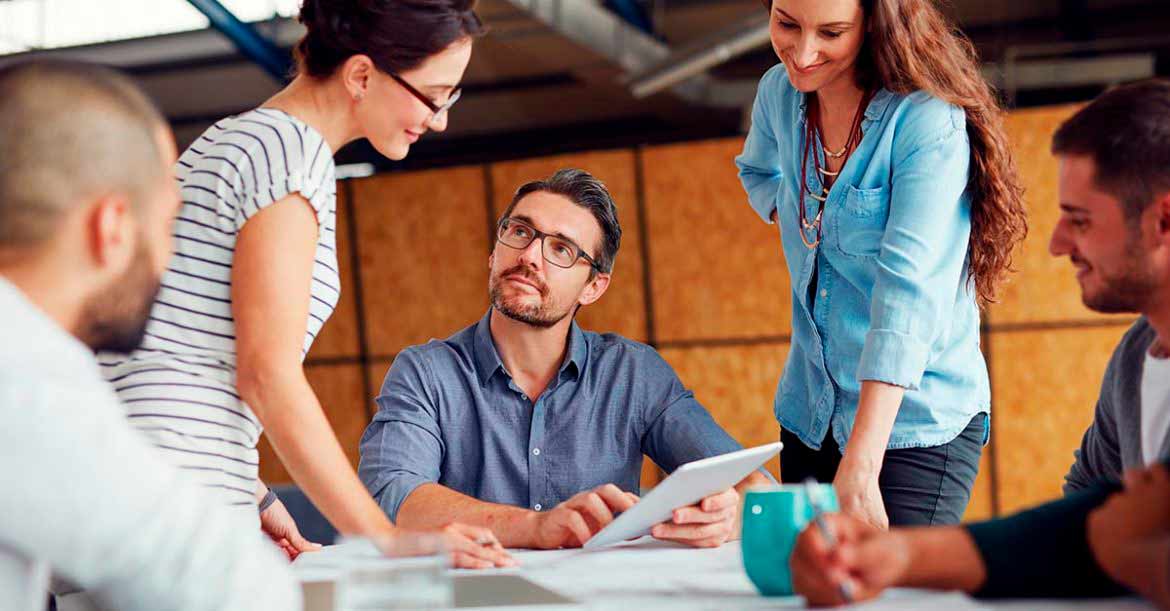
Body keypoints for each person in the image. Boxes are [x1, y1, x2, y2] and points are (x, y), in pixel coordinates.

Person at [96, 0, 510, 567]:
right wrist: (387, 539)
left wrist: (252, 490)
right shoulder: (290, 156)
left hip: (144, 488)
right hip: (176, 503)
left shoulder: (235, 139)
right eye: (434, 96)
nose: (439, 119)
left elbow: (172, 346)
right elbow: (266, 374)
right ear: (362, 75)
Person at [788, 78, 1170, 608]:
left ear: (1164, 221)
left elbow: (1112, 537)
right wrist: (897, 557)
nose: (1057, 244)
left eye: (1079, 221)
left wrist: (1128, 550)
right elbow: (1081, 523)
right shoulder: (1136, 360)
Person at [0, 60, 299, 610]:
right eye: (168, 227)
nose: (168, 261)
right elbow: (218, 584)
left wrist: (251, 495)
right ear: (111, 229)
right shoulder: (25, 377)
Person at [359, 169, 772, 549]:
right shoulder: (426, 373)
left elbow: (757, 484)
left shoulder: (633, 374)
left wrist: (731, 518)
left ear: (592, 287)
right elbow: (395, 494)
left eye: (561, 249)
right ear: (493, 253)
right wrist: (533, 527)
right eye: (519, 232)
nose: (529, 256)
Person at [734, 0, 1028, 528]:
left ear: (874, 22)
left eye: (832, 32)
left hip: (914, 423)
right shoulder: (777, 93)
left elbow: (906, 292)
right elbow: (757, 169)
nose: (802, 53)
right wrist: (805, 219)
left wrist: (863, 462)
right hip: (811, 413)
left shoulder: (926, 121)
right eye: (786, 24)